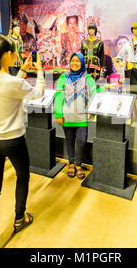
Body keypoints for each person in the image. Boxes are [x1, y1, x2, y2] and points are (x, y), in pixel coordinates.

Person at [0, 35, 44, 248]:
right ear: (6, 55)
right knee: (23, 176)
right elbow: (38, 93)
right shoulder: (14, 83)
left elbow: (9, 85)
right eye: (13, 52)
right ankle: (19, 218)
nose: (15, 55)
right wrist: (40, 70)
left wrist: (22, 70)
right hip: (13, 140)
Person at [54, 52, 97, 180]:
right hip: (67, 115)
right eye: (73, 60)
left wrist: (106, 88)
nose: (75, 63)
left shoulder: (88, 78)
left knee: (82, 141)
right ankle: (71, 163)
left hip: (82, 116)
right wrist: (58, 113)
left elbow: (94, 92)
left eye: (78, 61)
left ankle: (79, 164)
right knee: (69, 141)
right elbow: (58, 96)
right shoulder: (63, 77)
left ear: (82, 62)